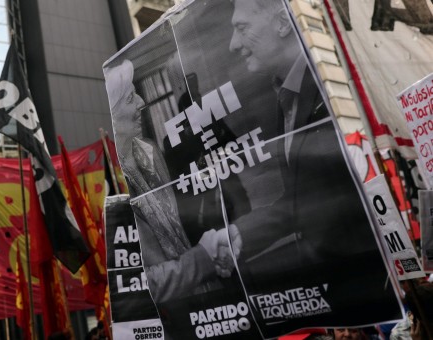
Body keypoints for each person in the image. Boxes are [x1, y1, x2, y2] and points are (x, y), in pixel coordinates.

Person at [222, 0, 400, 333]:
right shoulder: (286, 96)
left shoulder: (334, 84)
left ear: (281, 23)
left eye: (242, 27)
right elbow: (302, 198)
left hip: (385, 290)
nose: (233, 44)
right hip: (352, 297)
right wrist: (236, 234)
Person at [104, 59, 239, 303]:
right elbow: (139, 284)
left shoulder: (151, 152)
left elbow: (179, 224)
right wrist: (203, 258)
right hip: (173, 315)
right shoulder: (111, 184)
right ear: (110, 115)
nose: (142, 103)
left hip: (208, 293)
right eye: (129, 98)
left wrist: (214, 254)